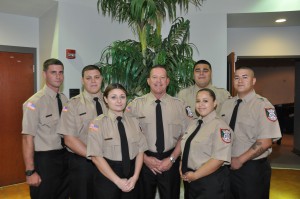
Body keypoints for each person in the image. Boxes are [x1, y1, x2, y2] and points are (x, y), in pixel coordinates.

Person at [125, 65, 190, 199]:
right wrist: (145, 159)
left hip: (171, 160)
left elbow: (185, 136)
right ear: (148, 81)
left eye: (162, 77)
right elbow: (129, 137)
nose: (158, 81)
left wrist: (172, 159)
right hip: (143, 161)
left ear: (167, 81)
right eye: (154, 77)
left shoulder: (180, 106)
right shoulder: (136, 105)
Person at [219, 66, 281, 199]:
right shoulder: (226, 104)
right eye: (236, 77)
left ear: (253, 81)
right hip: (226, 167)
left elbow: (265, 142)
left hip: (251, 169)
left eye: (245, 77)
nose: (240, 81)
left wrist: (240, 160)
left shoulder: (262, 105)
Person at [87, 83, 148, 199]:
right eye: (113, 97)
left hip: (132, 178)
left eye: (122, 97)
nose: (119, 101)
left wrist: (135, 177)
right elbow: (96, 157)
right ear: (105, 99)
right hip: (107, 178)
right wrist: (118, 181)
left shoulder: (134, 122)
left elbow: (140, 150)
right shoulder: (97, 123)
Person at [57, 65, 107, 199]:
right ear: (82, 80)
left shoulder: (111, 101)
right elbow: (69, 139)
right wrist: (94, 157)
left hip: (109, 161)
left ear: (102, 79)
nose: (93, 81)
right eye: (88, 78)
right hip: (83, 163)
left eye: (96, 77)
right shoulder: (72, 104)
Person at [21, 58, 69, 199]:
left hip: (64, 157)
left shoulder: (64, 99)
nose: (58, 76)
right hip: (45, 160)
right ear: (44, 74)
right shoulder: (34, 103)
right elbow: (27, 138)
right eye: (53, 72)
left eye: (61, 72)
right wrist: (30, 171)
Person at [180, 88, 232, 199]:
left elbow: (219, 159)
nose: (200, 104)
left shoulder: (221, 127)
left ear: (215, 103)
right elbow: (187, 148)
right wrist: (182, 165)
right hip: (191, 181)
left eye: (205, 101)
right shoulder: (193, 124)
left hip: (210, 182)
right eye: (198, 101)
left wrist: (195, 175)